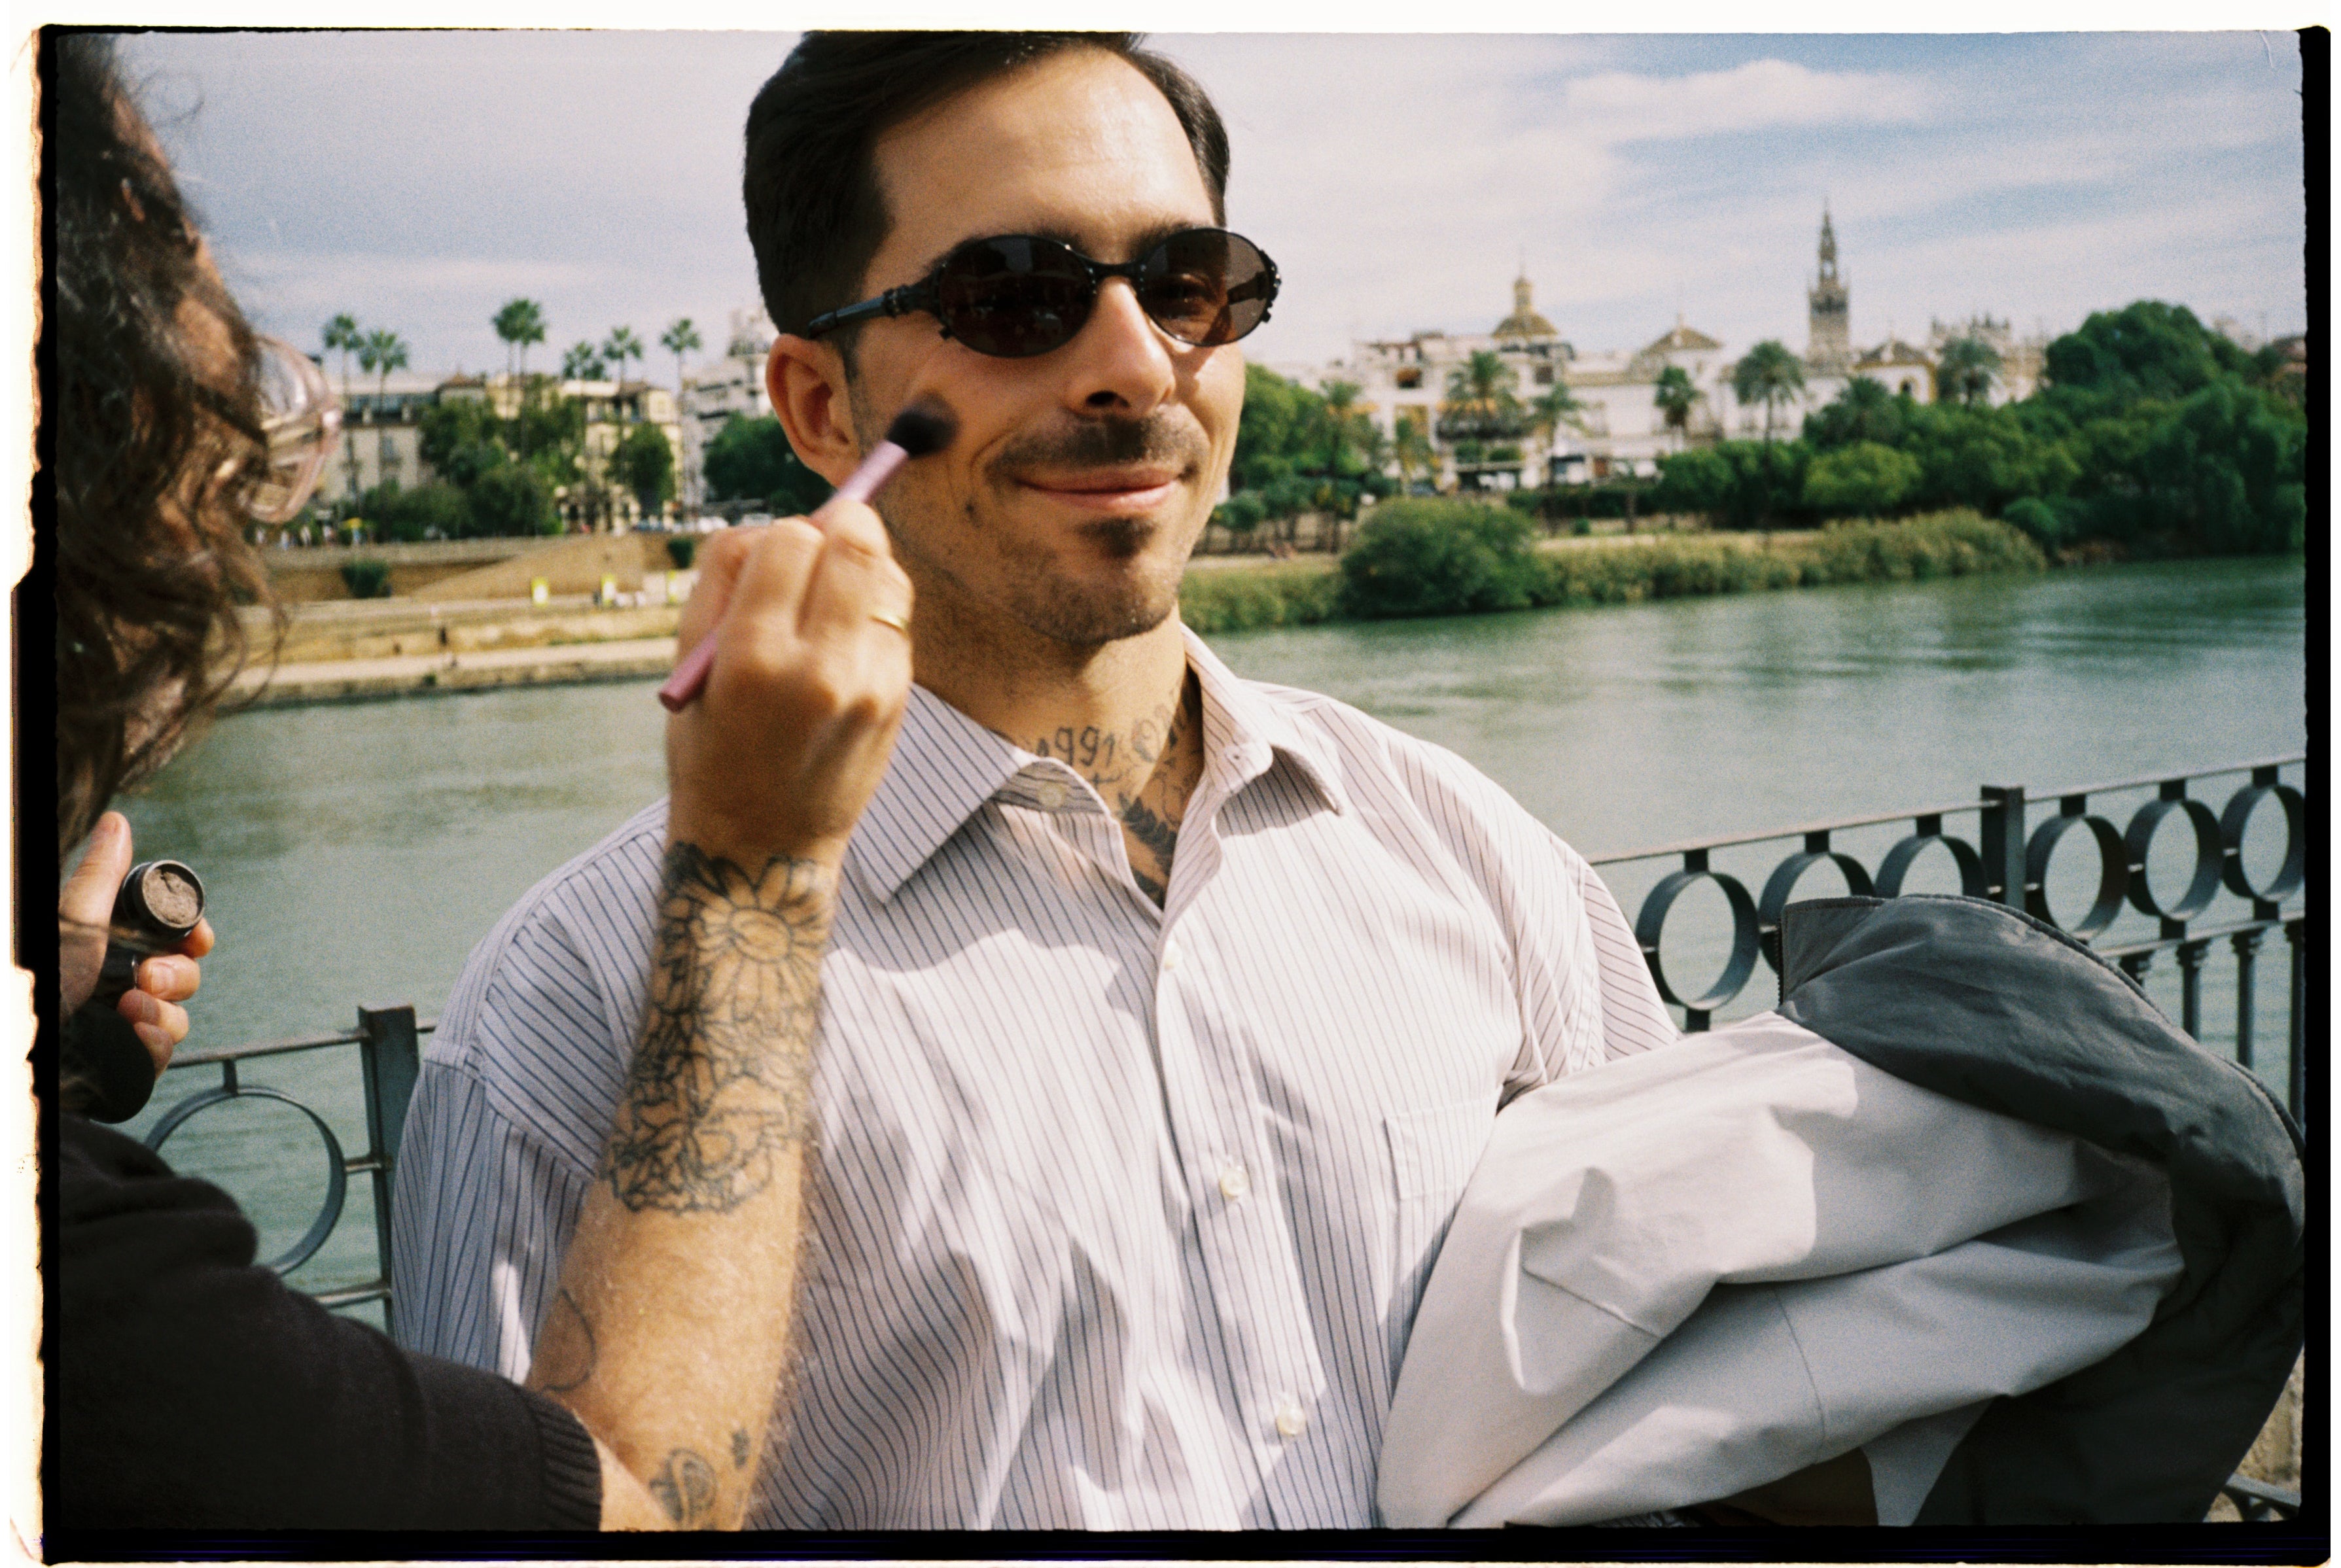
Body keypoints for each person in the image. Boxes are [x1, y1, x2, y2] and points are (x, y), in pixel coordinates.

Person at [390, 31, 2292, 1529]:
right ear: (825, 407)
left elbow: (1677, 1391)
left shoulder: (1466, 856)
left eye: (1189, 281)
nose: (1135, 364)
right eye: (1015, 294)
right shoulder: (572, 1007)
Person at [47, 32, 914, 1531]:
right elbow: (632, 1511)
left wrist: (41, 1061)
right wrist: (754, 870)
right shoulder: (90, 1305)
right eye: (165, 233)